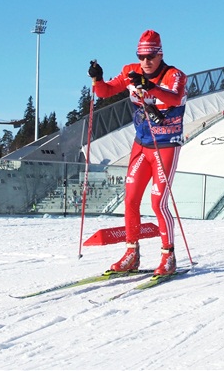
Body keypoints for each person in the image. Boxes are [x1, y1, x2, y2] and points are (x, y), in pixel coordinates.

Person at [88, 30, 187, 276]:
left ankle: (168, 255)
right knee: (130, 199)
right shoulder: (131, 71)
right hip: (141, 145)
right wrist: (97, 79)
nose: (145, 61)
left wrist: (149, 86)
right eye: (141, 56)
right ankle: (131, 253)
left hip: (166, 145)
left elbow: (174, 99)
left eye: (150, 56)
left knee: (158, 202)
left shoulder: (174, 75)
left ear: (160, 54)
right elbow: (105, 92)